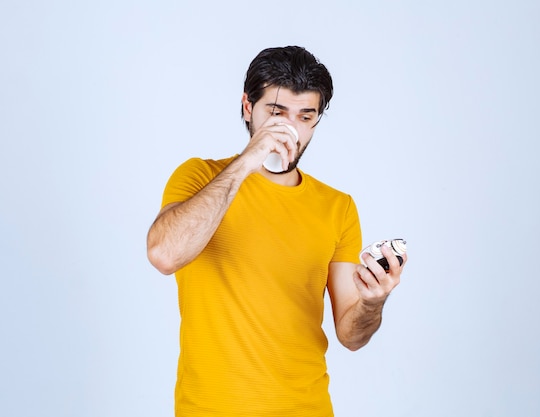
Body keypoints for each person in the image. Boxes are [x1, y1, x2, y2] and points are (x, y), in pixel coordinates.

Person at [147, 45, 407, 417]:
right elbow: (164, 254)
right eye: (276, 112)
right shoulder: (199, 178)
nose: (290, 129)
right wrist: (248, 161)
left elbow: (352, 335)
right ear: (248, 107)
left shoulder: (338, 207)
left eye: (305, 116)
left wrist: (373, 300)